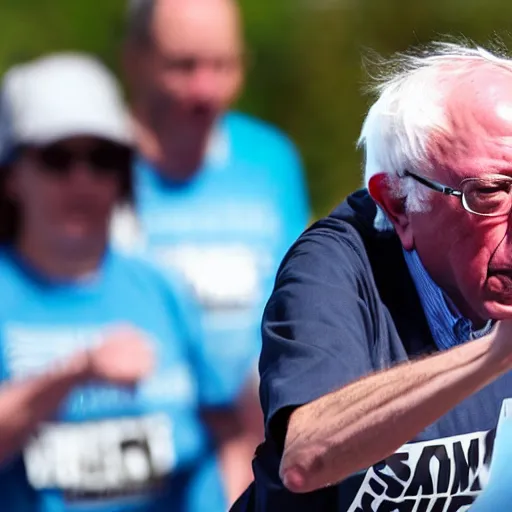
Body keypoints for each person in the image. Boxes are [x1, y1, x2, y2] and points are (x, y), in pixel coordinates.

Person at [232, 41, 512, 511]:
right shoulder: (334, 266)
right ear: (398, 203)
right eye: (489, 194)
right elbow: (305, 458)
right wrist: (492, 355)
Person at [0, 53, 237, 512]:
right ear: (11, 175)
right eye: (58, 159)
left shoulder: (162, 289)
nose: (82, 181)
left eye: (103, 159)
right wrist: (76, 373)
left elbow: (229, 426)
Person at [117, 0, 311, 501]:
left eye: (222, 66)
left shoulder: (270, 160)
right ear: (134, 58)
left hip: (259, 456)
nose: (206, 89)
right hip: (132, 468)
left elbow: (297, 301)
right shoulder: (83, 167)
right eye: (183, 66)